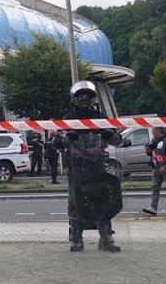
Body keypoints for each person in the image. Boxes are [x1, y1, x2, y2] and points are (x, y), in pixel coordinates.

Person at [58, 80, 122, 253]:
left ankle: (106, 237)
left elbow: (118, 140)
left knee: (103, 200)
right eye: (81, 96)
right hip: (77, 165)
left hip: (99, 164)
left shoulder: (101, 117)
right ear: (75, 97)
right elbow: (56, 141)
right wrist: (66, 137)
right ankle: (77, 238)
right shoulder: (68, 118)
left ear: (93, 97)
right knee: (75, 201)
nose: (84, 99)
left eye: (88, 95)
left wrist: (110, 134)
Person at [143, 126, 166, 217]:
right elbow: (152, 153)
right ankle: (153, 208)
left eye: (153, 130)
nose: (152, 132)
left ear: (159, 131)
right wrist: (148, 151)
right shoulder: (154, 140)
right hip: (156, 168)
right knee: (155, 187)